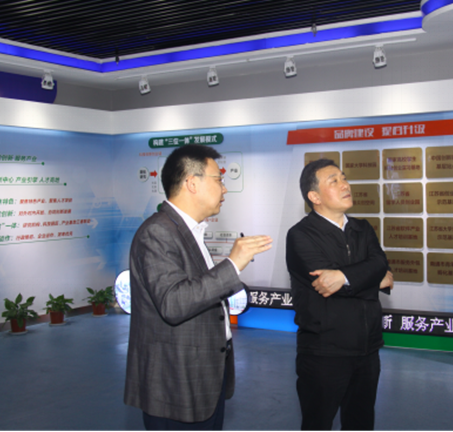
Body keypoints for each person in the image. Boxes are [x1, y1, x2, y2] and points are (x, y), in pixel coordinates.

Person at [124, 144, 273, 431]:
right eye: (219, 179)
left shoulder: (187, 231)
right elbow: (173, 303)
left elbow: (197, 291)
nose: (225, 189)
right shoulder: (157, 233)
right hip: (175, 385)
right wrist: (232, 265)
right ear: (192, 183)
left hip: (203, 377)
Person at [286, 159, 394, 431]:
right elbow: (327, 283)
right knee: (317, 423)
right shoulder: (300, 235)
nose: (345, 185)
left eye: (344, 178)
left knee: (361, 423)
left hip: (368, 349)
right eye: (333, 181)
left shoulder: (362, 228)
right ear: (314, 197)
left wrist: (343, 277)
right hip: (324, 351)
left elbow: (380, 263)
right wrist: (372, 280)